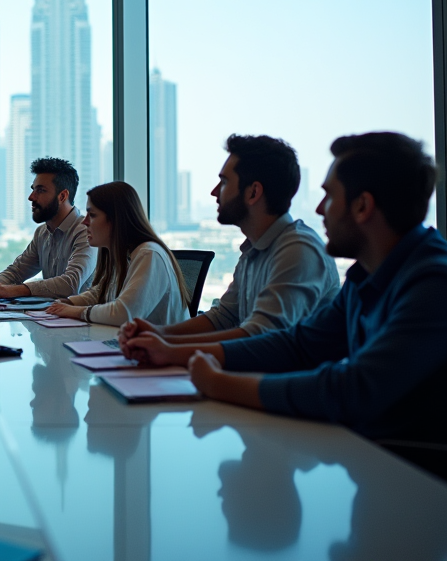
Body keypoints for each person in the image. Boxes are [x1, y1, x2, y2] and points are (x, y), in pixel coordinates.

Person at [125, 132, 447, 456]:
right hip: (367, 460)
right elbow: (297, 344)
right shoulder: (365, 278)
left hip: (410, 474)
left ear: (362, 206)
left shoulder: (433, 283)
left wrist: (219, 383)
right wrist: (168, 350)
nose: (320, 209)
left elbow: (354, 389)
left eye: (329, 196)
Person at [120, 135, 339, 348]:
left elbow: (260, 337)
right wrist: (156, 333)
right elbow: (223, 317)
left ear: (253, 192)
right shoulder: (254, 249)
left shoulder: (298, 250)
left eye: (224, 182)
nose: (214, 192)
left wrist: (167, 348)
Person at [45, 181, 189, 325]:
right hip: (133, 342)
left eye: (93, 215)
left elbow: (125, 314)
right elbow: (102, 292)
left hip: (158, 346)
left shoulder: (148, 254)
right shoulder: (123, 253)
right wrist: (68, 302)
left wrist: (74, 311)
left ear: (116, 219)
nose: (85, 222)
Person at [0, 157, 94, 299]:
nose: (31, 197)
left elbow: (70, 284)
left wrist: (8, 291)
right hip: (53, 316)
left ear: (62, 196)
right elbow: (16, 272)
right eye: (33, 190)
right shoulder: (42, 232)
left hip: (84, 319)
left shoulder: (86, 231)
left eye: (40, 190)